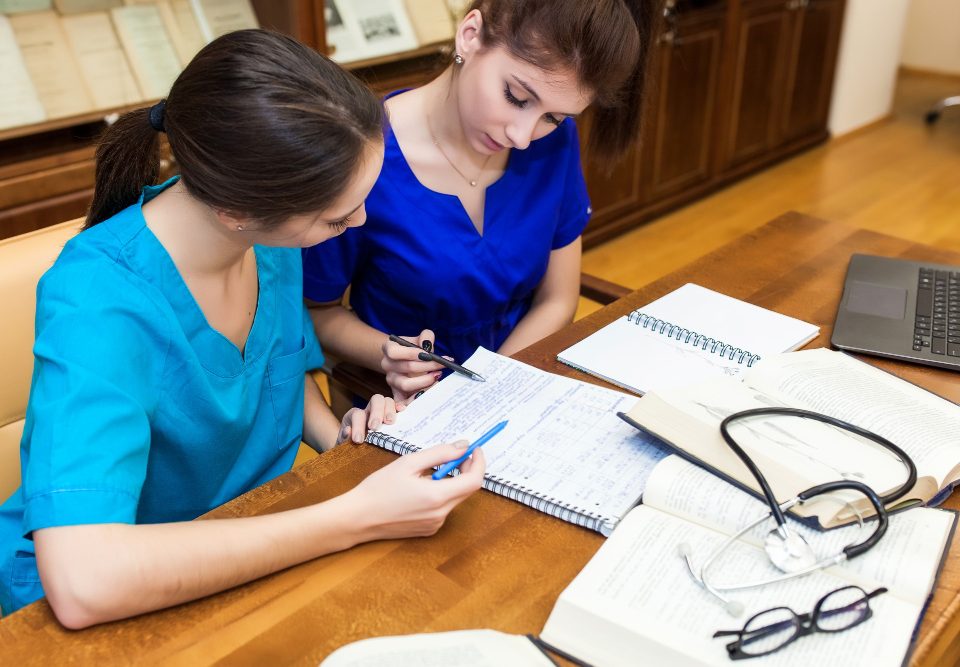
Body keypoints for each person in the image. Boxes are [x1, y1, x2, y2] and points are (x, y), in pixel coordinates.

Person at [0, 30, 485, 627]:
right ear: (236, 211)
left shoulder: (267, 237)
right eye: (336, 220)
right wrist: (354, 515)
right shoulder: (99, 298)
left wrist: (343, 437)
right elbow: (85, 582)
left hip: (249, 547)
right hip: (109, 602)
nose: (358, 223)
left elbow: (281, 367)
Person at [302, 0, 658, 403]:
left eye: (553, 117)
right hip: (395, 405)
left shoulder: (555, 144)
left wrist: (492, 386)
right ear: (470, 35)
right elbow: (316, 311)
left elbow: (557, 298)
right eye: (516, 96)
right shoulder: (364, 158)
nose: (523, 136)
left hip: (516, 385)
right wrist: (387, 354)